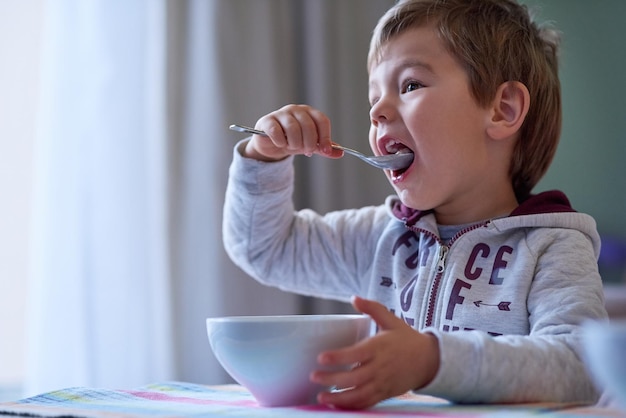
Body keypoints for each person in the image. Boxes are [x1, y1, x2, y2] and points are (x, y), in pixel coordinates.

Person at [222, 0, 607, 410]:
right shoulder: (377, 239)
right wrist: (264, 158)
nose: (377, 111)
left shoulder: (553, 248)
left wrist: (433, 361)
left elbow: (581, 367)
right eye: (374, 97)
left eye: (410, 85)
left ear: (502, 109)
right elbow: (264, 248)